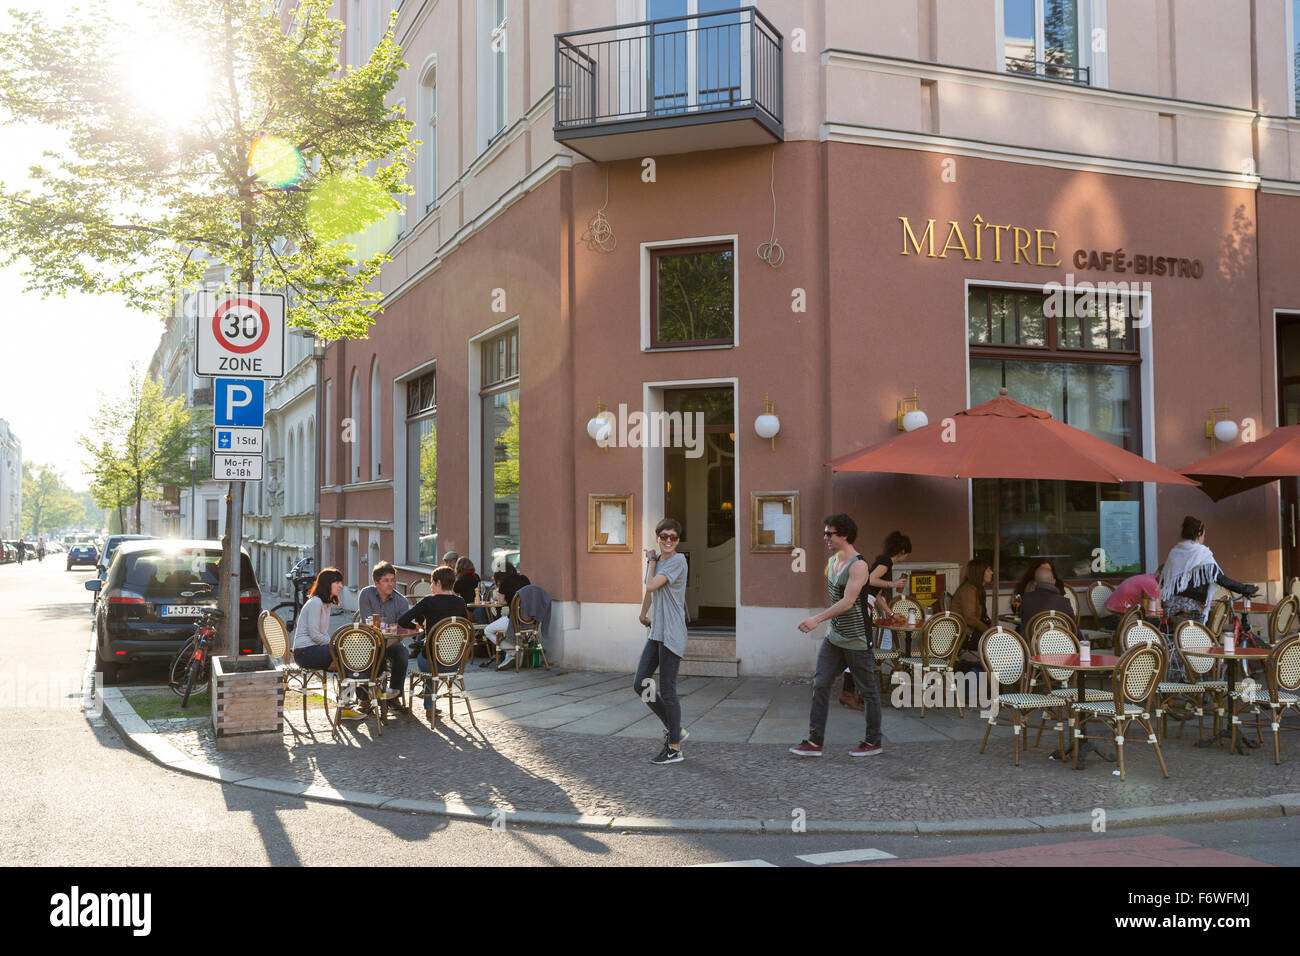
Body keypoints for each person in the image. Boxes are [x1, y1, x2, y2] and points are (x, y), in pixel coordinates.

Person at [790, 513, 884, 758]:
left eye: (829, 533)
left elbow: (849, 601)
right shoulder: (832, 561)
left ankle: (874, 741)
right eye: (825, 533)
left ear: (844, 535)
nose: (825, 538)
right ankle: (814, 741)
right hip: (835, 637)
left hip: (857, 638)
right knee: (820, 684)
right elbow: (834, 597)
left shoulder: (859, 565)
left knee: (868, 690)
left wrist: (816, 619)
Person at [635, 518, 690, 765]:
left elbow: (651, 583)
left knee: (668, 689)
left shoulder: (677, 560)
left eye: (673, 537)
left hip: (672, 632)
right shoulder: (659, 562)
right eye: (664, 536)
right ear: (657, 537)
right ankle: (673, 727)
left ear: (678, 540)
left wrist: (651, 560)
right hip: (657, 631)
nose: (668, 541)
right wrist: (643, 613)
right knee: (641, 684)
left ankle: (674, 748)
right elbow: (651, 591)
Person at [842, 531, 911, 709]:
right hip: (861, 608)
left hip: (863, 606)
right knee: (861, 650)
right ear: (903, 550)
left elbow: (876, 594)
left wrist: (890, 613)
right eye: (908, 553)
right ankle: (851, 693)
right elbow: (871, 580)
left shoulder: (883, 562)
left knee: (861, 650)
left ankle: (858, 694)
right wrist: (893, 584)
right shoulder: (886, 562)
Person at [293, 568, 365, 720]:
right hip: (304, 652)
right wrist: (337, 645)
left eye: (341, 583)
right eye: (337, 582)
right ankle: (359, 696)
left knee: (349, 659)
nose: (340, 586)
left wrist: (335, 650)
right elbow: (314, 635)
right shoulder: (316, 603)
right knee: (349, 654)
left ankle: (350, 702)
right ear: (327, 584)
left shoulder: (326, 604)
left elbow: (322, 635)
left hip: (315, 650)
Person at [398, 565, 469, 716]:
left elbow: (402, 620)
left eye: (431, 582)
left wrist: (419, 627)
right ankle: (429, 704)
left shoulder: (429, 602)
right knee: (432, 652)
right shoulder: (461, 602)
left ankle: (429, 704)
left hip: (431, 663)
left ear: (438, 583)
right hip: (455, 663)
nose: (430, 586)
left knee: (427, 654)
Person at [1160, 515, 1257, 623]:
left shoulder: (1175, 552)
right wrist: (1244, 589)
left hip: (1171, 609)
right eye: (1204, 535)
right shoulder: (1201, 553)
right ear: (1199, 534)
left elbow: (1164, 578)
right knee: (1196, 639)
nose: (1204, 539)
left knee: (1178, 638)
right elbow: (1219, 578)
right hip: (1193, 609)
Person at [356, 561, 410, 709]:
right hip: (368, 641)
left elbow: (400, 630)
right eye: (386, 581)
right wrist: (377, 644)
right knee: (360, 652)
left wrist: (384, 644)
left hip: (390, 642)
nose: (390, 584)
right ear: (376, 583)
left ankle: (394, 696)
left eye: (392, 580)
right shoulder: (366, 594)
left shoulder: (401, 601)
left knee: (402, 652)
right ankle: (364, 698)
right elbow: (367, 625)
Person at [1015, 558, 1076, 632]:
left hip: (1033, 639)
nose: (1045, 572)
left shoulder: (1026, 599)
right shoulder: (1065, 602)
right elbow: (1074, 629)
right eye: (1042, 569)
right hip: (1057, 639)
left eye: (1048, 570)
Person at [952, 559, 993, 652]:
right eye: (988, 570)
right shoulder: (968, 590)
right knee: (1001, 644)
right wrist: (987, 631)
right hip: (966, 635)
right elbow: (969, 618)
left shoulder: (977, 589)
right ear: (979, 573)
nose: (991, 572)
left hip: (973, 632)